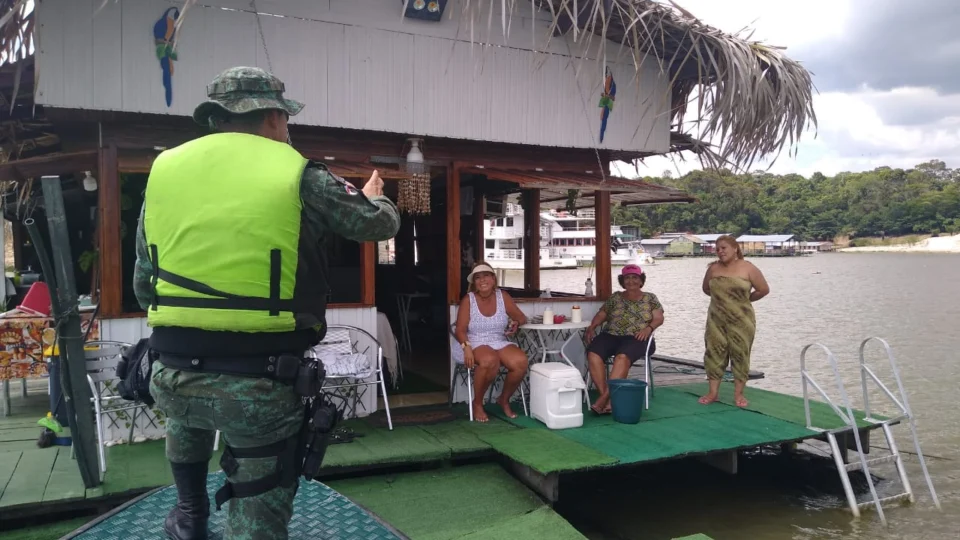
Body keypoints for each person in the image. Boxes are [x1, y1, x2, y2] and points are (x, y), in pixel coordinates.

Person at [133, 66, 401, 540]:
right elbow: (377, 226)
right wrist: (377, 199)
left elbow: (143, 281)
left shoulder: (164, 170)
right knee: (257, 501)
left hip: (170, 371)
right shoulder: (297, 171)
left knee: (186, 414)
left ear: (216, 117)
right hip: (258, 382)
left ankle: (190, 515)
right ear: (274, 117)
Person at [698, 235, 770, 408]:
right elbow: (706, 289)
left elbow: (763, 289)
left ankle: (739, 394)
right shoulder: (713, 269)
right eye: (717, 249)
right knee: (714, 353)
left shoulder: (748, 268)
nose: (720, 251)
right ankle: (713, 393)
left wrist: (744, 300)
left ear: (735, 248)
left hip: (742, 320)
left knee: (740, 354)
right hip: (716, 319)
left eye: (724, 248)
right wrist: (722, 299)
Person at [584, 264, 664, 415]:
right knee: (593, 353)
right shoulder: (615, 297)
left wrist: (648, 329)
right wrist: (592, 326)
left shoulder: (650, 298)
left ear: (641, 280)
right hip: (611, 335)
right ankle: (606, 398)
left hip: (638, 337)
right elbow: (602, 314)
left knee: (622, 357)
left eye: (635, 277)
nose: (631, 281)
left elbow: (659, 318)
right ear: (622, 281)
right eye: (627, 278)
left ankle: (604, 399)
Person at [454, 263, 528, 423]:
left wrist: (516, 322)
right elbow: (460, 330)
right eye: (478, 278)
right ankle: (477, 403)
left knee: (520, 361)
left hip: (498, 340)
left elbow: (521, 317)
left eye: (486, 276)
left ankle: (504, 399)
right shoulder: (469, 300)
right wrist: (466, 348)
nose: (482, 280)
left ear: (493, 279)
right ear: (474, 282)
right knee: (489, 360)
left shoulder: (503, 296)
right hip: (474, 341)